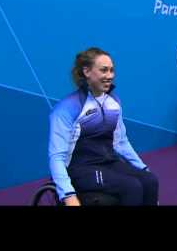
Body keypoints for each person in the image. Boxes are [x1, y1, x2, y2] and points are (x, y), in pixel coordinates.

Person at [48, 47, 159, 206]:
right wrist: (68, 195)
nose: (110, 76)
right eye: (104, 70)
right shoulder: (67, 108)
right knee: (131, 187)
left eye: (112, 70)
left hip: (108, 162)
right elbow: (57, 156)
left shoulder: (113, 102)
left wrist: (143, 168)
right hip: (79, 169)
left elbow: (120, 142)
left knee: (150, 180)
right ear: (87, 72)